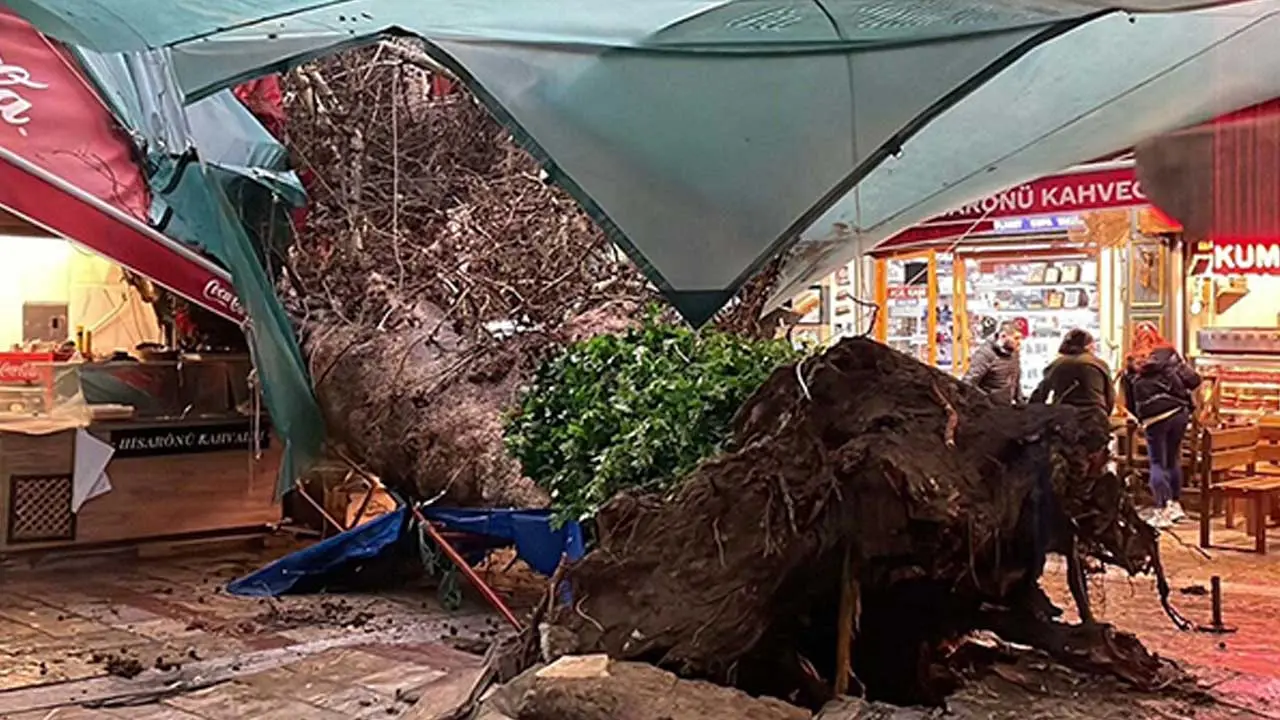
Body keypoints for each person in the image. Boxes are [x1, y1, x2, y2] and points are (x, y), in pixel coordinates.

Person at [1121, 321, 1201, 528]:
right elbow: (1193, 380)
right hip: (1177, 412)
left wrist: (1139, 417)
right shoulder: (1169, 354)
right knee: (1172, 458)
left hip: (1154, 417)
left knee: (1157, 462)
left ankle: (1162, 508)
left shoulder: (1131, 363)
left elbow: (1128, 400)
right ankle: (1175, 505)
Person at [1030, 329, 1114, 416]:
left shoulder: (1056, 365)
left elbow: (1040, 394)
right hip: (1095, 417)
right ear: (1088, 346)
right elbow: (1110, 397)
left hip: (1065, 418)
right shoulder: (1099, 364)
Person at [964, 320, 1024, 405]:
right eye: (1016, 338)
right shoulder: (985, 354)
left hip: (1005, 408)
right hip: (987, 410)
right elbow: (968, 383)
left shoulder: (1014, 353)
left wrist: (1020, 400)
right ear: (1003, 336)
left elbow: (1015, 378)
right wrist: (985, 402)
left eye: (1021, 338)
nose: (1019, 342)